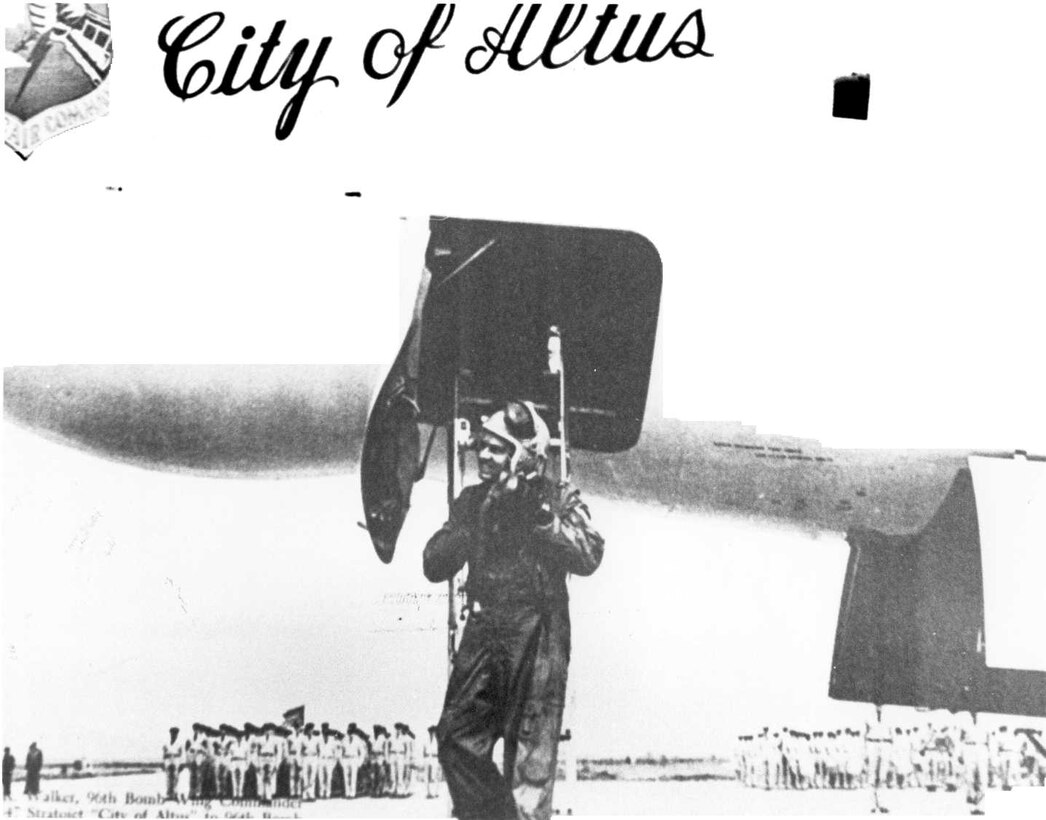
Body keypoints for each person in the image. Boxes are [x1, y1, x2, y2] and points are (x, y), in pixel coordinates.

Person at [424, 399, 604, 820]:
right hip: (486, 630)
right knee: (455, 738)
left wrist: (535, 513)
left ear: (523, 455)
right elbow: (433, 564)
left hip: (539, 635)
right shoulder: (471, 501)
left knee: (529, 766)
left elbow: (588, 554)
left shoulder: (556, 498)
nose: (484, 455)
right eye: (483, 447)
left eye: (497, 448)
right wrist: (479, 515)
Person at [162, 728, 184, 800]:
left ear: (177, 735)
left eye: (175, 734)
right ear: (170, 734)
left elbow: (181, 755)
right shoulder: (166, 744)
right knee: (168, 778)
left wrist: (181, 764)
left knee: (175, 778)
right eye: (172, 734)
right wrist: (163, 763)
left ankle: (175, 794)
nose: (173, 735)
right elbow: (164, 754)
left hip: (176, 762)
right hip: (168, 763)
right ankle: (169, 794)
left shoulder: (179, 744)